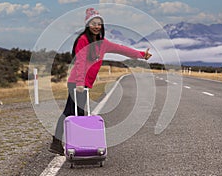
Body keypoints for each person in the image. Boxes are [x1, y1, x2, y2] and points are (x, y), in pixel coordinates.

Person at [49, 8, 152, 155]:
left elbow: (122, 49)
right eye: (93, 23)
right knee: (71, 112)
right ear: (87, 25)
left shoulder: (103, 43)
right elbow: (80, 62)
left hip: (84, 84)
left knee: (77, 112)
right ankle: (61, 143)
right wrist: (79, 83)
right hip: (76, 83)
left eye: (99, 23)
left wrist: (142, 54)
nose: (97, 26)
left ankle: (75, 143)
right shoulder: (83, 40)